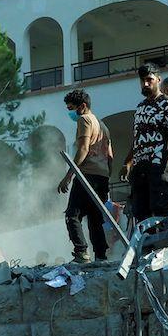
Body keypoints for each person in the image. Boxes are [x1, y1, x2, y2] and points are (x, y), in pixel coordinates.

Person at [59, 88, 114, 264]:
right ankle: (101, 256)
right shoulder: (103, 125)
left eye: (71, 108)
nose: (70, 113)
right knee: (95, 219)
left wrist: (68, 175)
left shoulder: (84, 120)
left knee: (72, 215)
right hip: (102, 177)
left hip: (87, 176)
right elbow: (110, 156)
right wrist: (106, 176)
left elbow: (83, 149)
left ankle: (81, 252)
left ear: (82, 106)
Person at [125, 62, 168, 230]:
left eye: (149, 80)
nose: (145, 84)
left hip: (159, 166)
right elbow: (137, 138)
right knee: (140, 211)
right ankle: (146, 249)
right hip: (140, 168)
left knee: (160, 209)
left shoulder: (167, 103)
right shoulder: (140, 107)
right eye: (142, 80)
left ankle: (164, 246)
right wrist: (127, 162)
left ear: (158, 79)